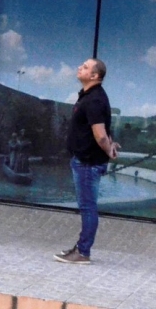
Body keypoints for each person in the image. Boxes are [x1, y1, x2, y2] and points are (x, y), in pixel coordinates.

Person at [55, 58, 120, 265]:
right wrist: (110, 144)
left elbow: (100, 135)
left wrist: (108, 147)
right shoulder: (90, 97)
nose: (79, 67)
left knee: (88, 207)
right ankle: (81, 248)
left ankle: (83, 252)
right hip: (84, 161)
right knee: (87, 206)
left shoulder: (94, 100)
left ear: (94, 76)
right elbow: (102, 130)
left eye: (84, 67)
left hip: (87, 163)